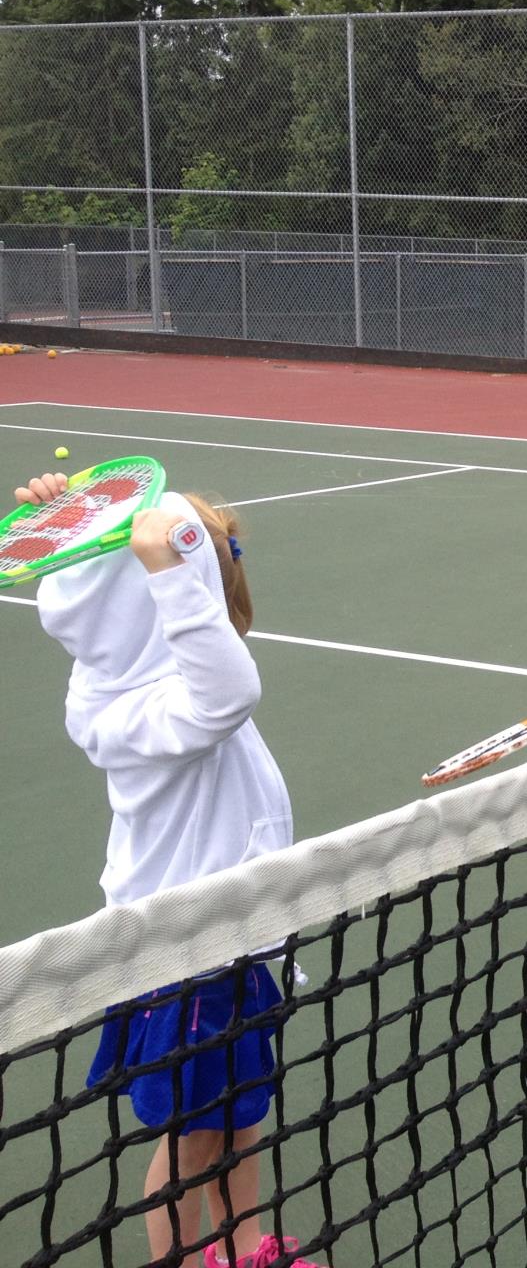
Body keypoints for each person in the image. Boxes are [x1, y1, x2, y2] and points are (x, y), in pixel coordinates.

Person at [13, 476, 326, 1268]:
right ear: (151, 601)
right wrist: (161, 566)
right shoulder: (129, 708)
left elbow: (206, 653)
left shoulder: (160, 674)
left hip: (238, 938)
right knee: (190, 1151)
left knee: (239, 1119)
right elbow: (228, 690)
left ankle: (246, 1246)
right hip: (184, 959)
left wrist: (72, 517)